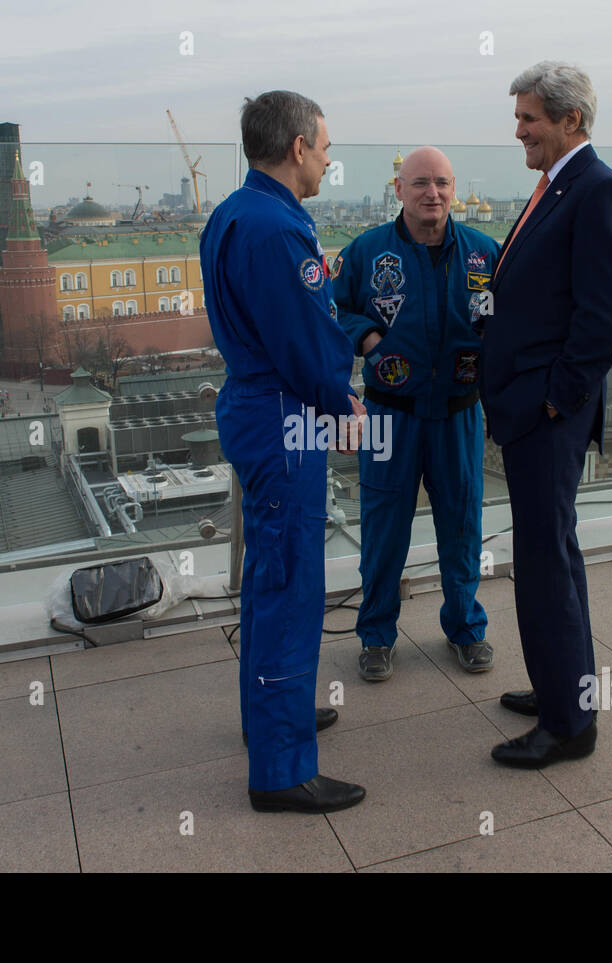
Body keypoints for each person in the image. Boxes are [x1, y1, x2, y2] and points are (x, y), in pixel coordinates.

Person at [200, 90, 367, 814]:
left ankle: (273, 715)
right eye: (325, 145)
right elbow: (303, 341)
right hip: (283, 415)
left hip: (254, 406)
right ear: (297, 146)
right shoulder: (277, 229)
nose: (329, 157)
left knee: (272, 575)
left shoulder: (235, 212)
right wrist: (342, 400)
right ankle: (281, 767)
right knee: (291, 584)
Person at [478, 62, 612, 768]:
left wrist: (554, 398)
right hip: (533, 407)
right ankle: (558, 688)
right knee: (550, 555)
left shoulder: (597, 190)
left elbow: (603, 318)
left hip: (548, 412)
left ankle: (570, 726)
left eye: (529, 119)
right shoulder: (558, 187)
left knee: (545, 561)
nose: (519, 132)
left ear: (571, 120)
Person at [331, 146, 496, 682]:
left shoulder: (483, 252)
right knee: (383, 532)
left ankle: (467, 629)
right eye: (421, 183)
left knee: (463, 525)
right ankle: (376, 636)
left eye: (443, 183)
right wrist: (369, 336)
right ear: (398, 189)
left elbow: (508, 318)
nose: (434, 193)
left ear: (454, 188)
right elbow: (335, 309)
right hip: (389, 414)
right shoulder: (365, 251)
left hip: (459, 414)